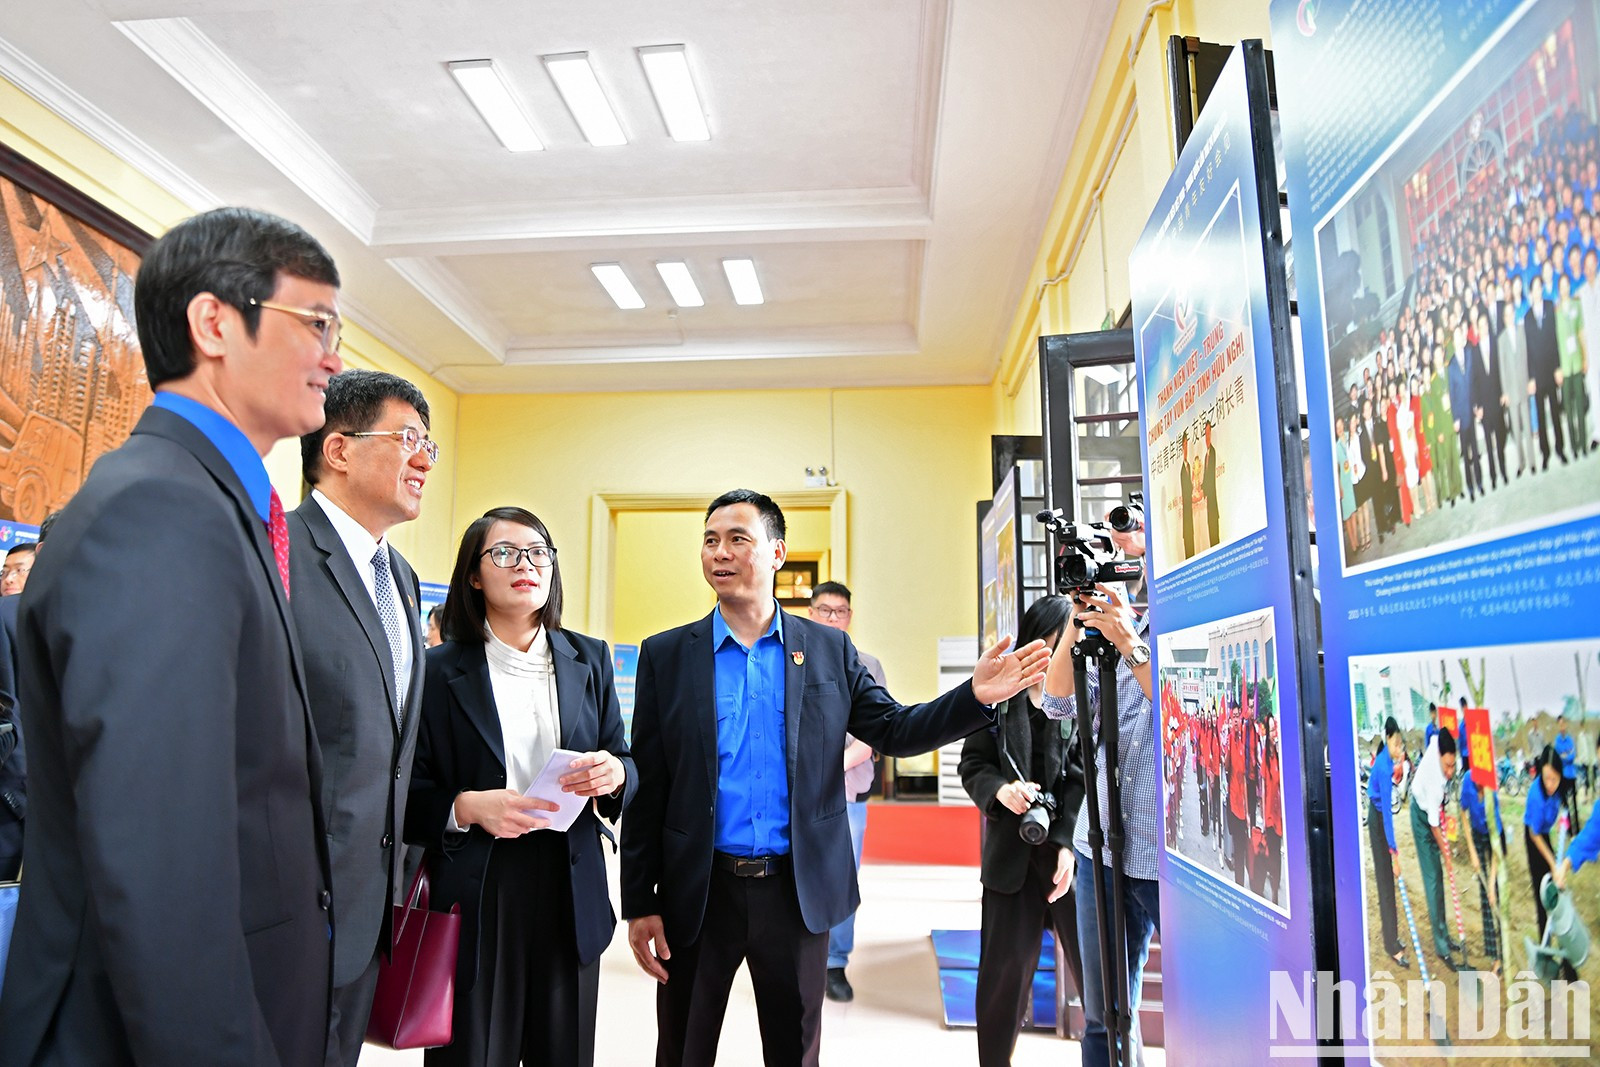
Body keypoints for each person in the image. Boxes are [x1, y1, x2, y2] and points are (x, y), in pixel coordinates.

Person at [0, 206, 343, 1065]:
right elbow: (161, 860)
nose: (335, 357)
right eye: (318, 323)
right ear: (215, 322)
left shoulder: (210, 502)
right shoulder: (159, 511)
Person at [620, 489, 1048, 1067]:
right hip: (699, 891)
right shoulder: (668, 655)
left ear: (777, 552)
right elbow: (650, 782)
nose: (720, 552)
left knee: (796, 1052)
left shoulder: (826, 650)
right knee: (682, 1050)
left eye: (738, 539)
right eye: (710, 539)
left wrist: (973, 697)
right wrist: (639, 900)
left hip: (796, 893)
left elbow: (895, 729)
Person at [407, 507, 633, 1066]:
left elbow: (624, 756)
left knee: (565, 1051)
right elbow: (406, 791)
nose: (525, 564)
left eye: (538, 553)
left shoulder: (590, 658)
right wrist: (463, 806)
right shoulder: (436, 671)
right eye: (504, 553)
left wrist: (617, 773)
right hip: (479, 886)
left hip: (569, 881)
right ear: (474, 576)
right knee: (474, 1052)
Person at [288, 368, 434, 1064]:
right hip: (279, 913)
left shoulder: (400, 577)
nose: (425, 459)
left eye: (430, 443)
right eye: (408, 438)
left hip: (371, 913)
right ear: (339, 448)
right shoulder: (273, 555)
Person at [1039, 510, 1158, 1067]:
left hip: (1169, 853)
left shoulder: (1184, 618)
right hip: (1101, 844)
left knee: (1205, 1007)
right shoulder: (1112, 621)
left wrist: (1129, 640)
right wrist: (1076, 620)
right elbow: (1058, 703)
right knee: (1103, 1016)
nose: (1123, 545)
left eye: (1133, 531)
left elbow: (1184, 710)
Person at [960, 594, 1086, 1064]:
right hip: (1010, 857)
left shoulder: (1083, 696)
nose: (1058, 656)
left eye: (1068, 646)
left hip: (1067, 860)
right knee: (1002, 979)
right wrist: (1000, 791)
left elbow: (1084, 776)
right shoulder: (998, 698)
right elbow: (973, 763)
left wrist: (1067, 842)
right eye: (1054, 643)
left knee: (1096, 977)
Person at [806, 580, 883, 1004]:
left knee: (844, 877)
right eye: (824, 610)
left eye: (840, 611)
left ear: (849, 616)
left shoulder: (868, 664)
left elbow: (873, 735)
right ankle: (804, 956)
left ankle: (835, 962)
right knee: (800, 874)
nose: (832, 618)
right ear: (811, 612)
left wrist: (829, 767)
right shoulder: (792, 658)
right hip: (799, 793)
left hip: (849, 792)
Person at [1409, 728, 1461, 969]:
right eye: (1447, 766)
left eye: (1453, 765)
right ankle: (1441, 946)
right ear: (1439, 756)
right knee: (1432, 880)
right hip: (1421, 820)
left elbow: (1438, 734)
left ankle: (1446, 935)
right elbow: (1433, 825)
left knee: (1439, 878)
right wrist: (1447, 854)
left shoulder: (1437, 744)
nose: (1450, 771)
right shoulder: (1434, 782)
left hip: (1431, 814)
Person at [1523, 747, 1576, 980]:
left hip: (1546, 836)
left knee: (1559, 896)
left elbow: (1564, 811)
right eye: (1547, 778)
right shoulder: (1535, 795)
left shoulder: (1561, 786)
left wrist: (1564, 824)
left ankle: (1567, 961)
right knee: (1544, 896)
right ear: (1541, 775)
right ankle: (1546, 957)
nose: (1551, 784)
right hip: (1534, 840)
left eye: (1555, 778)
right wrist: (1553, 864)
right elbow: (1535, 835)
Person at [1367, 718, 1409, 969]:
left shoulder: (1389, 760)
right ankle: (1390, 945)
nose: (1398, 749)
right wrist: (1394, 854)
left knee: (1389, 885)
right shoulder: (1383, 767)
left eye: (1400, 744)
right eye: (1395, 744)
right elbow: (1388, 821)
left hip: (1382, 817)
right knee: (1385, 883)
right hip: (1378, 821)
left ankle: (1393, 936)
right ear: (1387, 739)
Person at [1459, 747, 1504, 976]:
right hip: (1477, 833)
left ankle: (1503, 952)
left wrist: (1493, 879)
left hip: (1493, 836)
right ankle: (1494, 955)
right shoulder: (1467, 781)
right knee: (1484, 895)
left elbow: (1496, 847)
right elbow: (1463, 814)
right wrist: (1473, 853)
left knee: (1496, 892)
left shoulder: (1491, 793)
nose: (1478, 784)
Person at [1553, 715, 1582, 834]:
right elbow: (1559, 758)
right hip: (1563, 776)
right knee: (1565, 804)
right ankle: (1569, 830)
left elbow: (1572, 755)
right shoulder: (1557, 741)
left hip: (1572, 774)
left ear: (1566, 724)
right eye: (1560, 724)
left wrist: (1565, 755)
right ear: (1558, 726)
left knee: (1574, 803)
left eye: (1563, 724)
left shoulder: (1570, 739)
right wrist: (1565, 755)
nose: (1562, 726)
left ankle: (1577, 829)